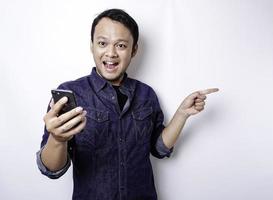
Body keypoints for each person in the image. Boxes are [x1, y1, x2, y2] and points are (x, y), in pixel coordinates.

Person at [36, 8, 219, 200]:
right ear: (92, 46)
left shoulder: (146, 94)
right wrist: (57, 139)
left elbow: (158, 148)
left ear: (134, 50)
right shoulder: (71, 94)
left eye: (121, 45)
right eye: (102, 43)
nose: (111, 53)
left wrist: (182, 113)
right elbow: (51, 170)